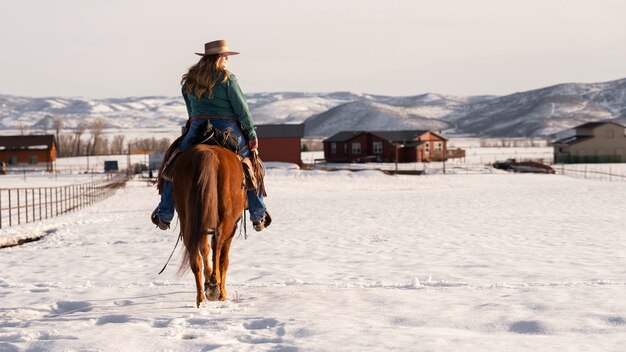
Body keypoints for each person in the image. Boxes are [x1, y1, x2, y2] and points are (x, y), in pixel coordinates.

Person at [151, 39, 271, 232]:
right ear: (217, 57)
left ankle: (165, 214)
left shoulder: (189, 80)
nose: (227, 59)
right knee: (251, 164)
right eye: (225, 56)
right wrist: (251, 133)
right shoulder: (227, 79)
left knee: (172, 165)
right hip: (228, 127)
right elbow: (242, 109)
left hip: (197, 127)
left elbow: (190, 112)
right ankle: (258, 214)